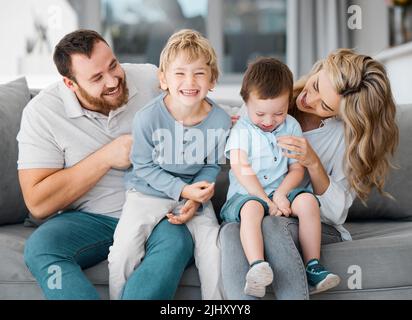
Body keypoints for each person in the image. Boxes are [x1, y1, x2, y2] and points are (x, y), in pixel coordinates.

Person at [18, 29, 195, 300]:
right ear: (70, 84)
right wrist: (106, 157)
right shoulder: (42, 114)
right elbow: (38, 203)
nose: (113, 80)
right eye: (97, 78)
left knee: (178, 241)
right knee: (41, 247)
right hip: (91, 220)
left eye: (113, 65)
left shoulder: (150, 79)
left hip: (158, 213)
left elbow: (204, 113)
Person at [219, 49, 399, 299]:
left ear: (340, 113)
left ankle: (310, 270)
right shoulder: (273, 98)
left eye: (324, 105)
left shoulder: (340, 136)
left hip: (309, 219)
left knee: (272, 224)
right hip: (262, 206)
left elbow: (336, 213)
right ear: (317, 70)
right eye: (315, 85)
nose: (309, 99)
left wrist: (313, 163)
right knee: (229, 231)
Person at [108, 29, 231, 300]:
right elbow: (142, 166)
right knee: (123, 251)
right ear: (163, 79)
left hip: (193, 196)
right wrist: (182, 190)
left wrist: (197, 197)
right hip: (146, 193)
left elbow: (212, 165)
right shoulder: (147, 118)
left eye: (199, 73)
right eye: (180, 73)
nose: (190, 81)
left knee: (213, 249)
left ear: (212, 80)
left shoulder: (221, 120)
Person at [220, 57, 340, 298]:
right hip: (247, 195)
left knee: (307, 202)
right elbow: (242, 169)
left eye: (279, 113)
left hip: (280, 191)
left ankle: (313, 265)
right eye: (260, 113)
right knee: (252, 210)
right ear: (246, 103)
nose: (268, 121)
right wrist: (267, 199)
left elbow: (297, 169)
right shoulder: (242, 130)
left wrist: (283, 193)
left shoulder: (291, 126)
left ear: (288, 103)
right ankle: (257, 266)